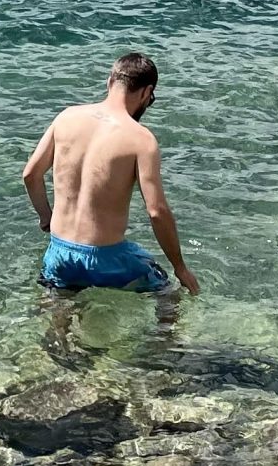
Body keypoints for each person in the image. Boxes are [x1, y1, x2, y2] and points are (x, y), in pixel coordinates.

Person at [21, 51, 200, 296]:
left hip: (60, 252)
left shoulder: (66, 117)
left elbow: (31, 175)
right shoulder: (141, 140)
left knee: (59, 312)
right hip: (106, 260)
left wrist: (46, 218)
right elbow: (157, 211)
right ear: (147, 93)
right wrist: (181, 267)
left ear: (110, 81)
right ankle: (165, 335)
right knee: (166, 291)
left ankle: (59, 333)